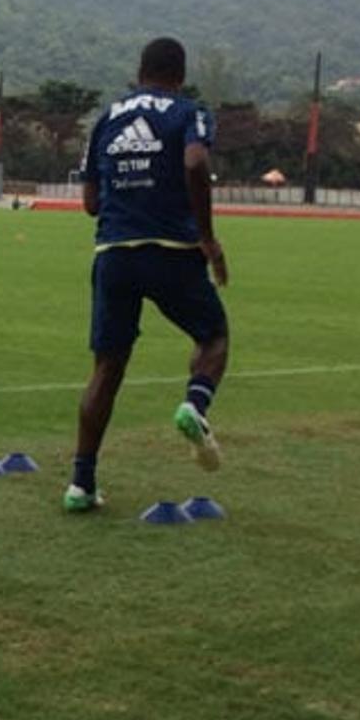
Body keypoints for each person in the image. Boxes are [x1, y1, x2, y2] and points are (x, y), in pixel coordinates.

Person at [64, 37, 229, 513]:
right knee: (213, 337)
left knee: (107, 368)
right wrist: (207, 237)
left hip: (114, 252)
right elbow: (196, 161)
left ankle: (81, 483)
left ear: (140, 71)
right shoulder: (188, 112)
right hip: (172, 249)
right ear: (180, 74)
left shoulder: (108, 118)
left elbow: (91, 201)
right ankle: (195, 406)